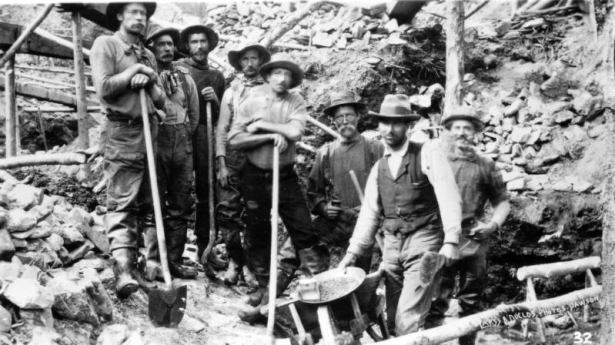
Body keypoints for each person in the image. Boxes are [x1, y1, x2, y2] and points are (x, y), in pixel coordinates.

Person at [337, 94, 463, 336]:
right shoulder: (379, 168)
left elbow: (449, 196)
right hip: (392, 249)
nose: (389, 129)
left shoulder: (427, 153)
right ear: (378, 125)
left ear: (408, 125)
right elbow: (369, 215)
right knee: (394, 321)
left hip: (426, 246)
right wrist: (352, 253)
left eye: (397, 123)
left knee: (409, 318)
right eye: (384, 123)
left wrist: (451, 240)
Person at [228, 53, 328, 323]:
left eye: (287, 75)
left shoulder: (296, 101)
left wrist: (263, 124)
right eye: (277, 74)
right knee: (258, 231)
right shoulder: (253, 99)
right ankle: (263, 290)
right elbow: (235, 138)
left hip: (285, 177)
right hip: (255, 176)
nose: (282, 79)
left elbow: (295, 133)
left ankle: (315, 289)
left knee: (303, 231)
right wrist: (268, 135)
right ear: (268, 75)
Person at [89, 2, 165, 298]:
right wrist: (134, 71)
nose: (139, 18)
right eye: (133, 12)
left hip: (149, 132)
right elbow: (105, 88)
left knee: (146, 203)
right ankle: (122, 272)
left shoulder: (146, 54)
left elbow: (159, 100)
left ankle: (140, 268)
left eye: (143, 14)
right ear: (119, 15)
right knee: (122, 202)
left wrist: (149, 77)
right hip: (121, 131)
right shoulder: (106, 44)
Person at [426, 107, 510, 345]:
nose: (462, 133)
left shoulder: (485, 165)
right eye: (457, 128)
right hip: (441, 239)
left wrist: (492, 225)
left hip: (474, 239)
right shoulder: (435, 161)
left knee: (472, 301)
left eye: (467, 128)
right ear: (448, 132)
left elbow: (502, 202)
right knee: (435, 299)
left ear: (476, 133)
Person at [142, 27, 200, 279]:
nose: (167, 48)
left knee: (180, 203)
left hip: (182, 141)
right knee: (153, 201)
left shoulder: (185, 77)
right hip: (156, 139)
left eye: (170, 44)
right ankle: (153, 260)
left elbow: (195, 114)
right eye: (161, 44)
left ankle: (174, 260)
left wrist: (184, 136)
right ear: (151, 47)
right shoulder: (144, 74)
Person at [307, 90, 384, 273]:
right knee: (303, 239)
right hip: (337, 220)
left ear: (358, 117)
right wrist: (324, 207)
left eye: (349, 115)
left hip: (366, 219)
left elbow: (388, 187)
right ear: (333, 121)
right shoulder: (326, 152)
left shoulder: (375, 148)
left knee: (362, 272)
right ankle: (315, 283)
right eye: (339, 117)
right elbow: (312, 193)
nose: (344, 121)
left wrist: (375, 211)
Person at [216, 42, 271, 285]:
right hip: (233, 155)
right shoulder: (231, 91)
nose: (249, 63)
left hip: (258, 157)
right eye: (245, 59)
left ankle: (250, 265)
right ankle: (234, 260)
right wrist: (221, 162)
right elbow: (221, 129)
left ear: (261, 62)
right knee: (227, 210)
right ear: (239, 62)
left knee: (255, 213)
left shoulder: (269, 90)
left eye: (254, 59)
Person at [176, 25, 226, 271]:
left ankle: (206, 248)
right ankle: (174, 251)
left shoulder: (217, 77)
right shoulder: (178, 69)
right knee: (179, 191)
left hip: (204, 137)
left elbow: (220, 116)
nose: (198, 46)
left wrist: (214, 100)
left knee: (207, 192)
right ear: (187, 45)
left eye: (203, 41)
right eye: (193, 42)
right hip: (181, 134)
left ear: (209, 45)